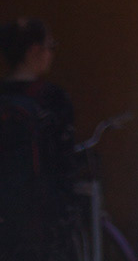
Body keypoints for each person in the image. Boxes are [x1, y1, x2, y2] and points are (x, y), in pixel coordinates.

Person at [0, 18, 77, 261]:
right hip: (41, 218)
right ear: (34, 50)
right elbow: (63, 161)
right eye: (50, 46)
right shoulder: (52, 98)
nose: (51, 53)